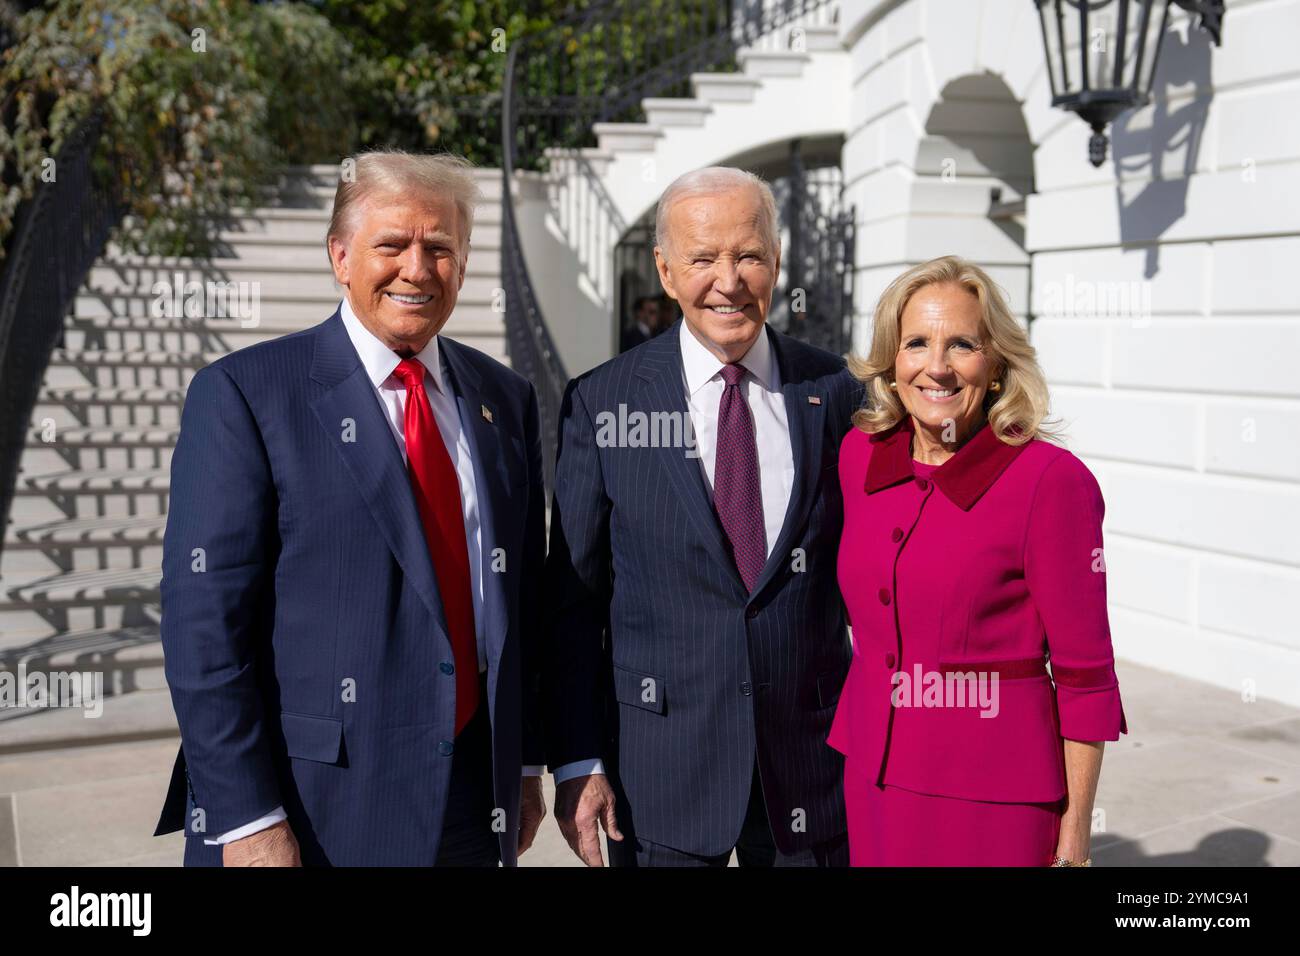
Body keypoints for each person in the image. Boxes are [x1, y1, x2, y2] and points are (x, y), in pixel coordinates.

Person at [153, 151, 547, 866]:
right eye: (391, 245)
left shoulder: (505, 400)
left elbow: (517, 599)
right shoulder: (247, 394)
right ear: (340, 256)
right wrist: (245, 818)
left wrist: (520, 765)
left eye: (440, 248)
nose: (418, 269)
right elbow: (202, 626)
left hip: (469, 801)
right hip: (311, 809)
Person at [543, 166, 860, 867]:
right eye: (702, 258)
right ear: (664, 269)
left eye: (748, 255)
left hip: (812, 775)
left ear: (776, 262)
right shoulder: (603, 403)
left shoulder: (837, 392)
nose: (729, 280)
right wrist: (574, 760)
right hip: (656, 783)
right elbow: (572, 607)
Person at [831, 255, 1127, 866]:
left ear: (994, 366)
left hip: (992, 799)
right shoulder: (859, 456)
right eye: (916, 342)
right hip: (871, 778)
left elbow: (1085, 676)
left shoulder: (1050, 482)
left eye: (961, 344)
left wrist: (1073, 844)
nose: (935, 366)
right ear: (892, 359)